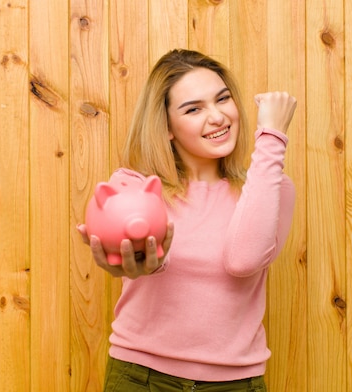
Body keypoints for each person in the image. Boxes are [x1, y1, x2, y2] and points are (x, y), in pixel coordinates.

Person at [77, 49, 297, 392]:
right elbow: (144, 254)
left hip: (235, 384)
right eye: (194, 109)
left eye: (222, 100)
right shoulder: (136, 187)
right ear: (167, 128)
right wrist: (144, 261)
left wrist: (272, 138)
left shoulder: (270, 188)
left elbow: (243, 260)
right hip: (141, 377)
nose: (217, 117)